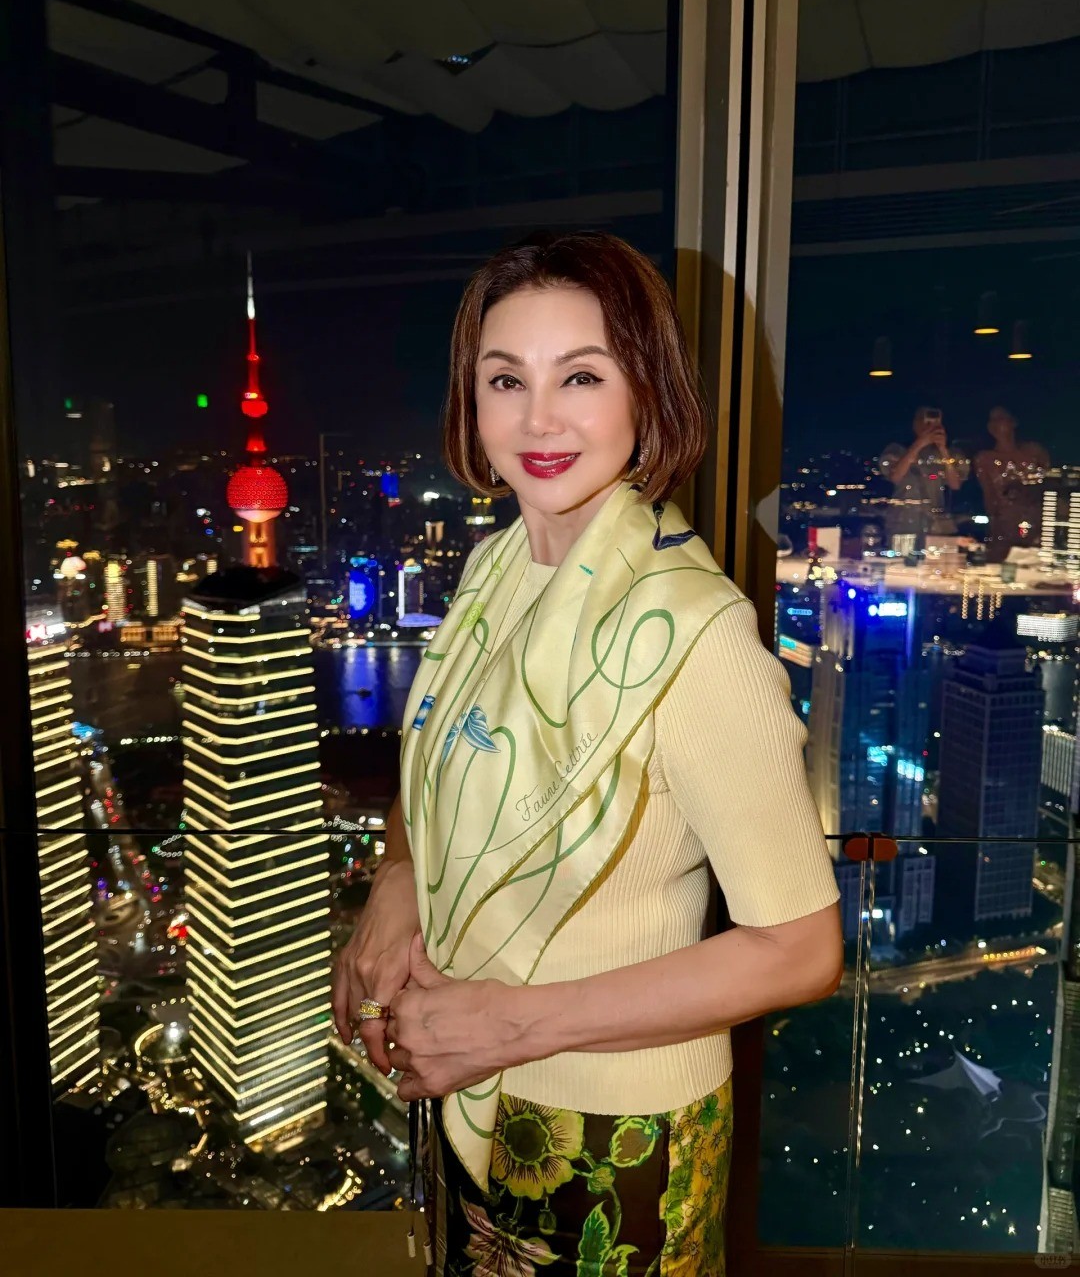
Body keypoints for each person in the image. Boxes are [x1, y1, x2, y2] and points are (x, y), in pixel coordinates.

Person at [332, 232, 843, 1276]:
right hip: (473, 1076)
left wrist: (513, 1026)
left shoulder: (697, 636)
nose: (539, 419)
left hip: (614, 1130)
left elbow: (799, 949)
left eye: (581, 376)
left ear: (647, 394)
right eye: (505, 380)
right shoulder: (493, 575)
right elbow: (437, 772)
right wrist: (398, 879)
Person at [878, 406, 969, 549]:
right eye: (924, 421)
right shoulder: (898, 450)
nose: (929, 426)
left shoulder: (951, 454)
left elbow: (955, 484)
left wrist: (943, 450)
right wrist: (919, 444)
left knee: (936, 560)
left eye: (934, 422)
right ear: (914, 423)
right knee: (902, 560)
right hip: (904, 522)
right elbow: (895, 476)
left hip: (936, 525)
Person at [973, 406, 1049, 560]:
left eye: (1000, 418)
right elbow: (989, 496)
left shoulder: (1034, 452)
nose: (995, 424)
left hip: (1035, 524)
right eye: (991, 420)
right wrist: (994, 528)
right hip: (1003, 527)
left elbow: (1049, 487)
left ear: (1013, 422)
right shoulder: (985, 459)